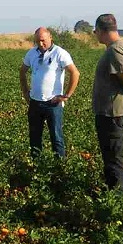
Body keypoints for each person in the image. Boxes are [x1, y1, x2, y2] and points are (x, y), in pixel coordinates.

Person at [91, 14, 123, 193]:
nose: (95, 34)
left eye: (95, 31)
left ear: (101, 30)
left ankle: (118, 197)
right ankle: (111, 191)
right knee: (110, 156)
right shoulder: (116, 48)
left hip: (112, 114)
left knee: (114, 158)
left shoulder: (116, 50)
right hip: (108, 113)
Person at [19, 27, 80, 158]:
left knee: (56, 138)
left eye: (43, 40)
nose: (40, 44)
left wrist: (66, 96)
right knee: (34, 137)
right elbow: (22, 71)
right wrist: (25, 92)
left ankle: (59, 166)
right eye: (37, 41)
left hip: (53, 103)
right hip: (35, 102)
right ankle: (36, 164)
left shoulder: (60, 53)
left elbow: (75, 73)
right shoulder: (31, 53)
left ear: (50, 37)